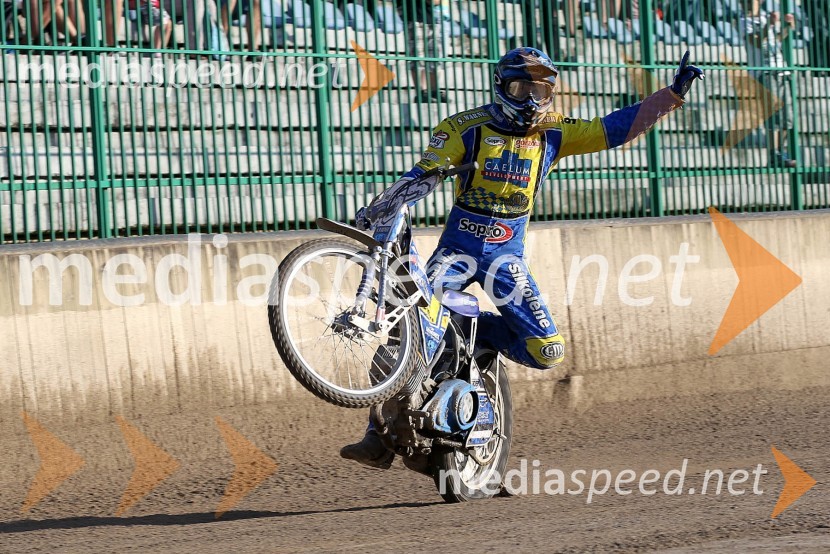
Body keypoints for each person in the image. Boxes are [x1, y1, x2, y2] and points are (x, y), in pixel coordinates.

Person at [341, 47, 703, 469]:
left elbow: (612, 128)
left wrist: (671, 96)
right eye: (521, 87)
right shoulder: (464, 127)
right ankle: (378, 435)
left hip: (506, 260)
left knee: (547, 352)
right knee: (411, 332)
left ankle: (479, 333)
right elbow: (423, 176)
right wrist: (383, 207)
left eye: (541, 89)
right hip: (456, 254)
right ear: (501, 87)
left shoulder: (554, 131)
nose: (531, 98)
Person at [741, 0, 797, 168]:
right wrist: (770, 25)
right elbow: (757, 42)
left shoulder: (765, 17)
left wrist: (788, 27)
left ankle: (781, 151)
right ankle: (774, 154)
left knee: (788, 118)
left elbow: (776, 41)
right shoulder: (744, 21)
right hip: (763, 73)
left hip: (781, 71)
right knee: (773, 118)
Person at [395, 0, 447, 103]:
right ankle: (421, 92)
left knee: (434, 57)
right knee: (417, 57)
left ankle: (434, 90)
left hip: (431, 19)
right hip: (413, 18)